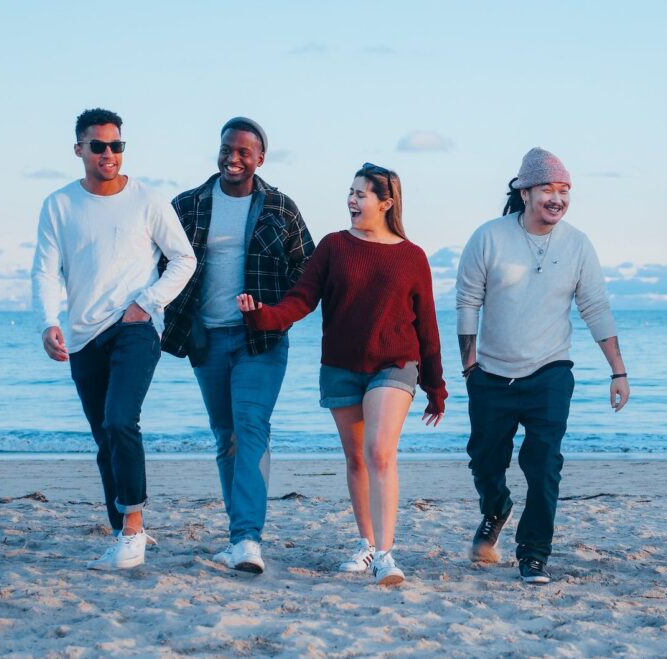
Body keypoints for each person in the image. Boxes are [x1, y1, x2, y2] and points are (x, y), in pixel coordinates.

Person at [238, 163, 445, 586]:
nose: (352, 200)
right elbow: (300, 301)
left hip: (395, 363)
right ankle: (366, 544)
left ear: (386, 202)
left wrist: (435, 386)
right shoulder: (333, 247)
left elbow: (427, 324)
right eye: (350, 192)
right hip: (341, 367)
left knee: (380, 453)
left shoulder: (412, 256)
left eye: (361, 194)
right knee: (356, 459)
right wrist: (263, 316)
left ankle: (386, 555)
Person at [31, 108, 196, 569]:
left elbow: (183, 259)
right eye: (99, 145)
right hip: (84, 335)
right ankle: (126, 526)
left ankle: (133, 532)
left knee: (121, 420)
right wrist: (47, 322)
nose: (109, 154)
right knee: (105, 436)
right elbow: (45, 271)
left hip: (134, 328)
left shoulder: (148, 200)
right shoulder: (58, 205)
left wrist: (147, 302)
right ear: (79, 149)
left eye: (116, 145)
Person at [457, 147, 630, 585]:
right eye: (549, 189)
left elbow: (595, 307)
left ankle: (533, 553)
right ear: (525, 191)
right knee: (484, 460)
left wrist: (618, 371)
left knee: (544, 464)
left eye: (564, 190)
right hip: (491, 374)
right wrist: (469, 365)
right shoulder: (489, 237)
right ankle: (496, 509)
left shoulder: (577, 244)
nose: (558, 198)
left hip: (551, 371)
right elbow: (467, 302)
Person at [161, 117, 314, 574]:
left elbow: (306, 271)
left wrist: (272, 309)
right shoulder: (186, 205)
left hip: (260, 339)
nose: (233, 157)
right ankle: (238, 534)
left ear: (260, 158)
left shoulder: (280, 208)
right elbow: (156, 262)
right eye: (227, 149)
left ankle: (247, 539)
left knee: (251, 429)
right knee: (225, 437)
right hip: (206, 339)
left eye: (244, 152)